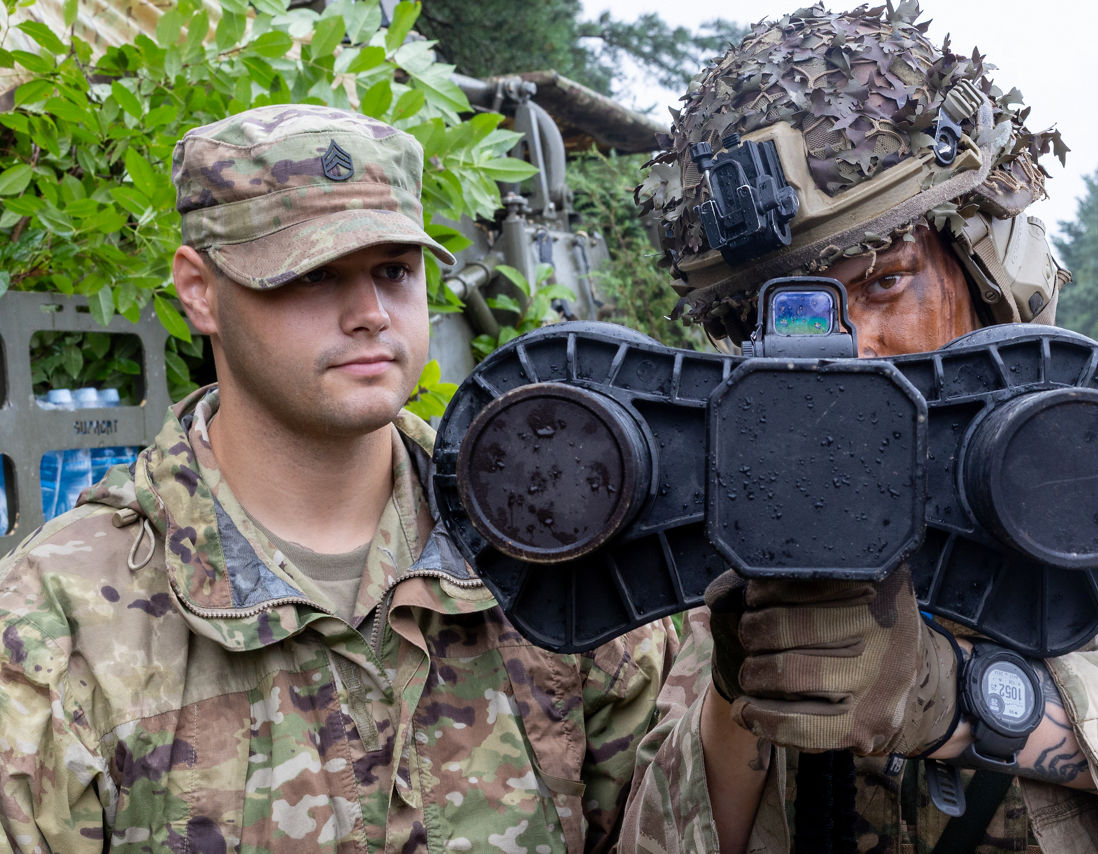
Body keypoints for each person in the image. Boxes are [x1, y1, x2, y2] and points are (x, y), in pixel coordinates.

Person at [620, 5, 1098, 852]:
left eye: (887, 282)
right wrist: (743, 691)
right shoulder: (752, 561)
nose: (849, 348)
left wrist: (957, 700)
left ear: (989, 266)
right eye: (788, 317)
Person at [0, 105, 674, 851]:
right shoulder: (56, 617)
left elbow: (675, 820)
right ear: (198, 291)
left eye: (394, 271)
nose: (370, 315)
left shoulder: (543, 543)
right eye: (312, 274)